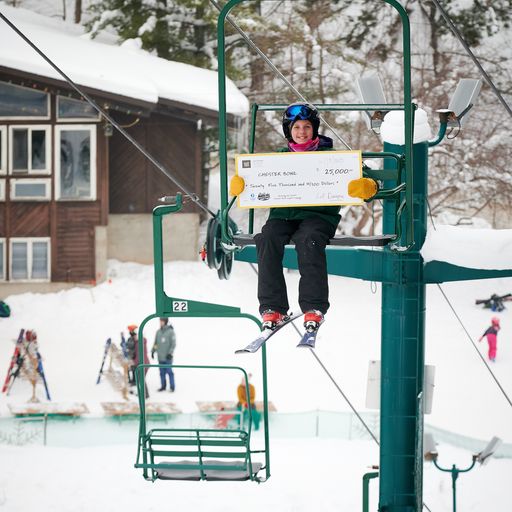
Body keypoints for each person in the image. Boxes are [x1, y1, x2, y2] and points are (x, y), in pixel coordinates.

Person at [254, 103, 340, 332]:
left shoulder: (330, 157)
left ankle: (314, 307)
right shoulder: (280, 158)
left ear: (314, 130)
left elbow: (351, 175)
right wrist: (245, 185)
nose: (302, 132)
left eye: (307, 127)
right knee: (267, 238)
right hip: (284, 214)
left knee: (309, 239)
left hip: (318, 214)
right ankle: (273, 307)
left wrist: (361, 183)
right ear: (288, 131)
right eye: (297, 128)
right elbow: (261, 180)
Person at [151, 317, 176, 392]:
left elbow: (173, 344)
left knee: (169, 372)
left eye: (162, 321)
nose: (160, 322)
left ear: (165, 322)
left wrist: (170, 353)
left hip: (167, 357)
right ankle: (163, 386)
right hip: (160, 357)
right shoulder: (158, 332)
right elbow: (156, 343)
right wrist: (153, 350)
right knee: (162, 373)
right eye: (160, 321)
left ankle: (172, 387)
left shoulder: (171, 332)